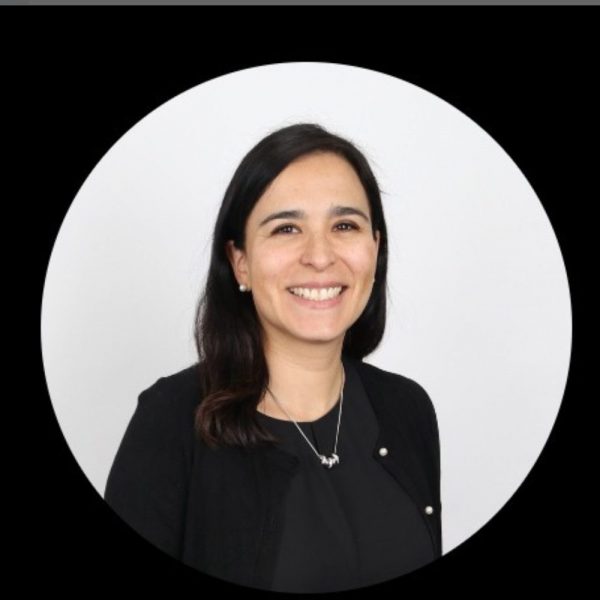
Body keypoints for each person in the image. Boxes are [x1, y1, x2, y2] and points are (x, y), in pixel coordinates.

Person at [104, 122, 442, 592]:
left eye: (345, 226)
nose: (320, 256)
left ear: (375, 247)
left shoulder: (407, 408)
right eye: (286, 228)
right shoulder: (172, 419)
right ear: (240, 261)